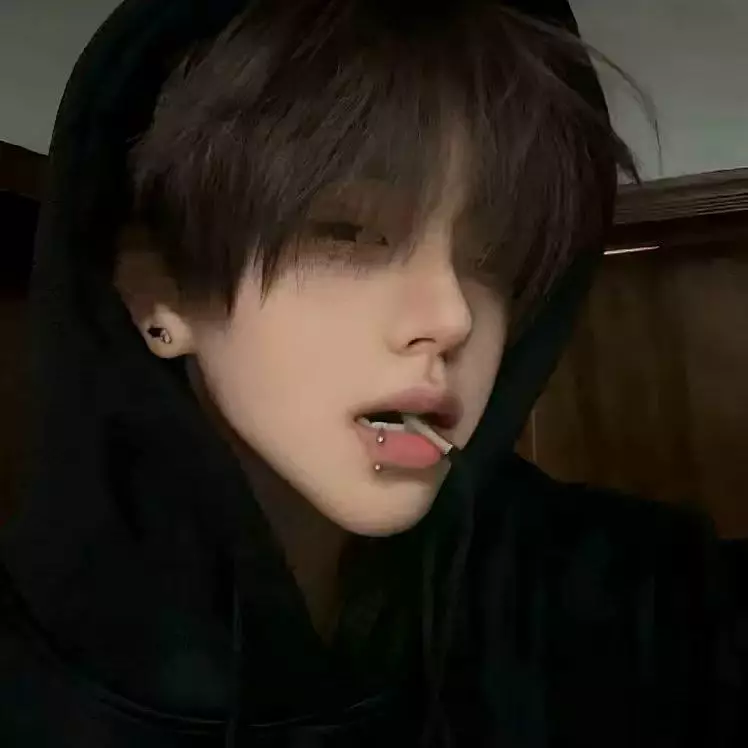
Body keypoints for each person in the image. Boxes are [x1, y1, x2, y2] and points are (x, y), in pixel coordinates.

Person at [0, 0, 745, 745]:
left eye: (493, 259)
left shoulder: (623, 597)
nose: (452, 316)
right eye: (349, 232)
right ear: (157, 294)